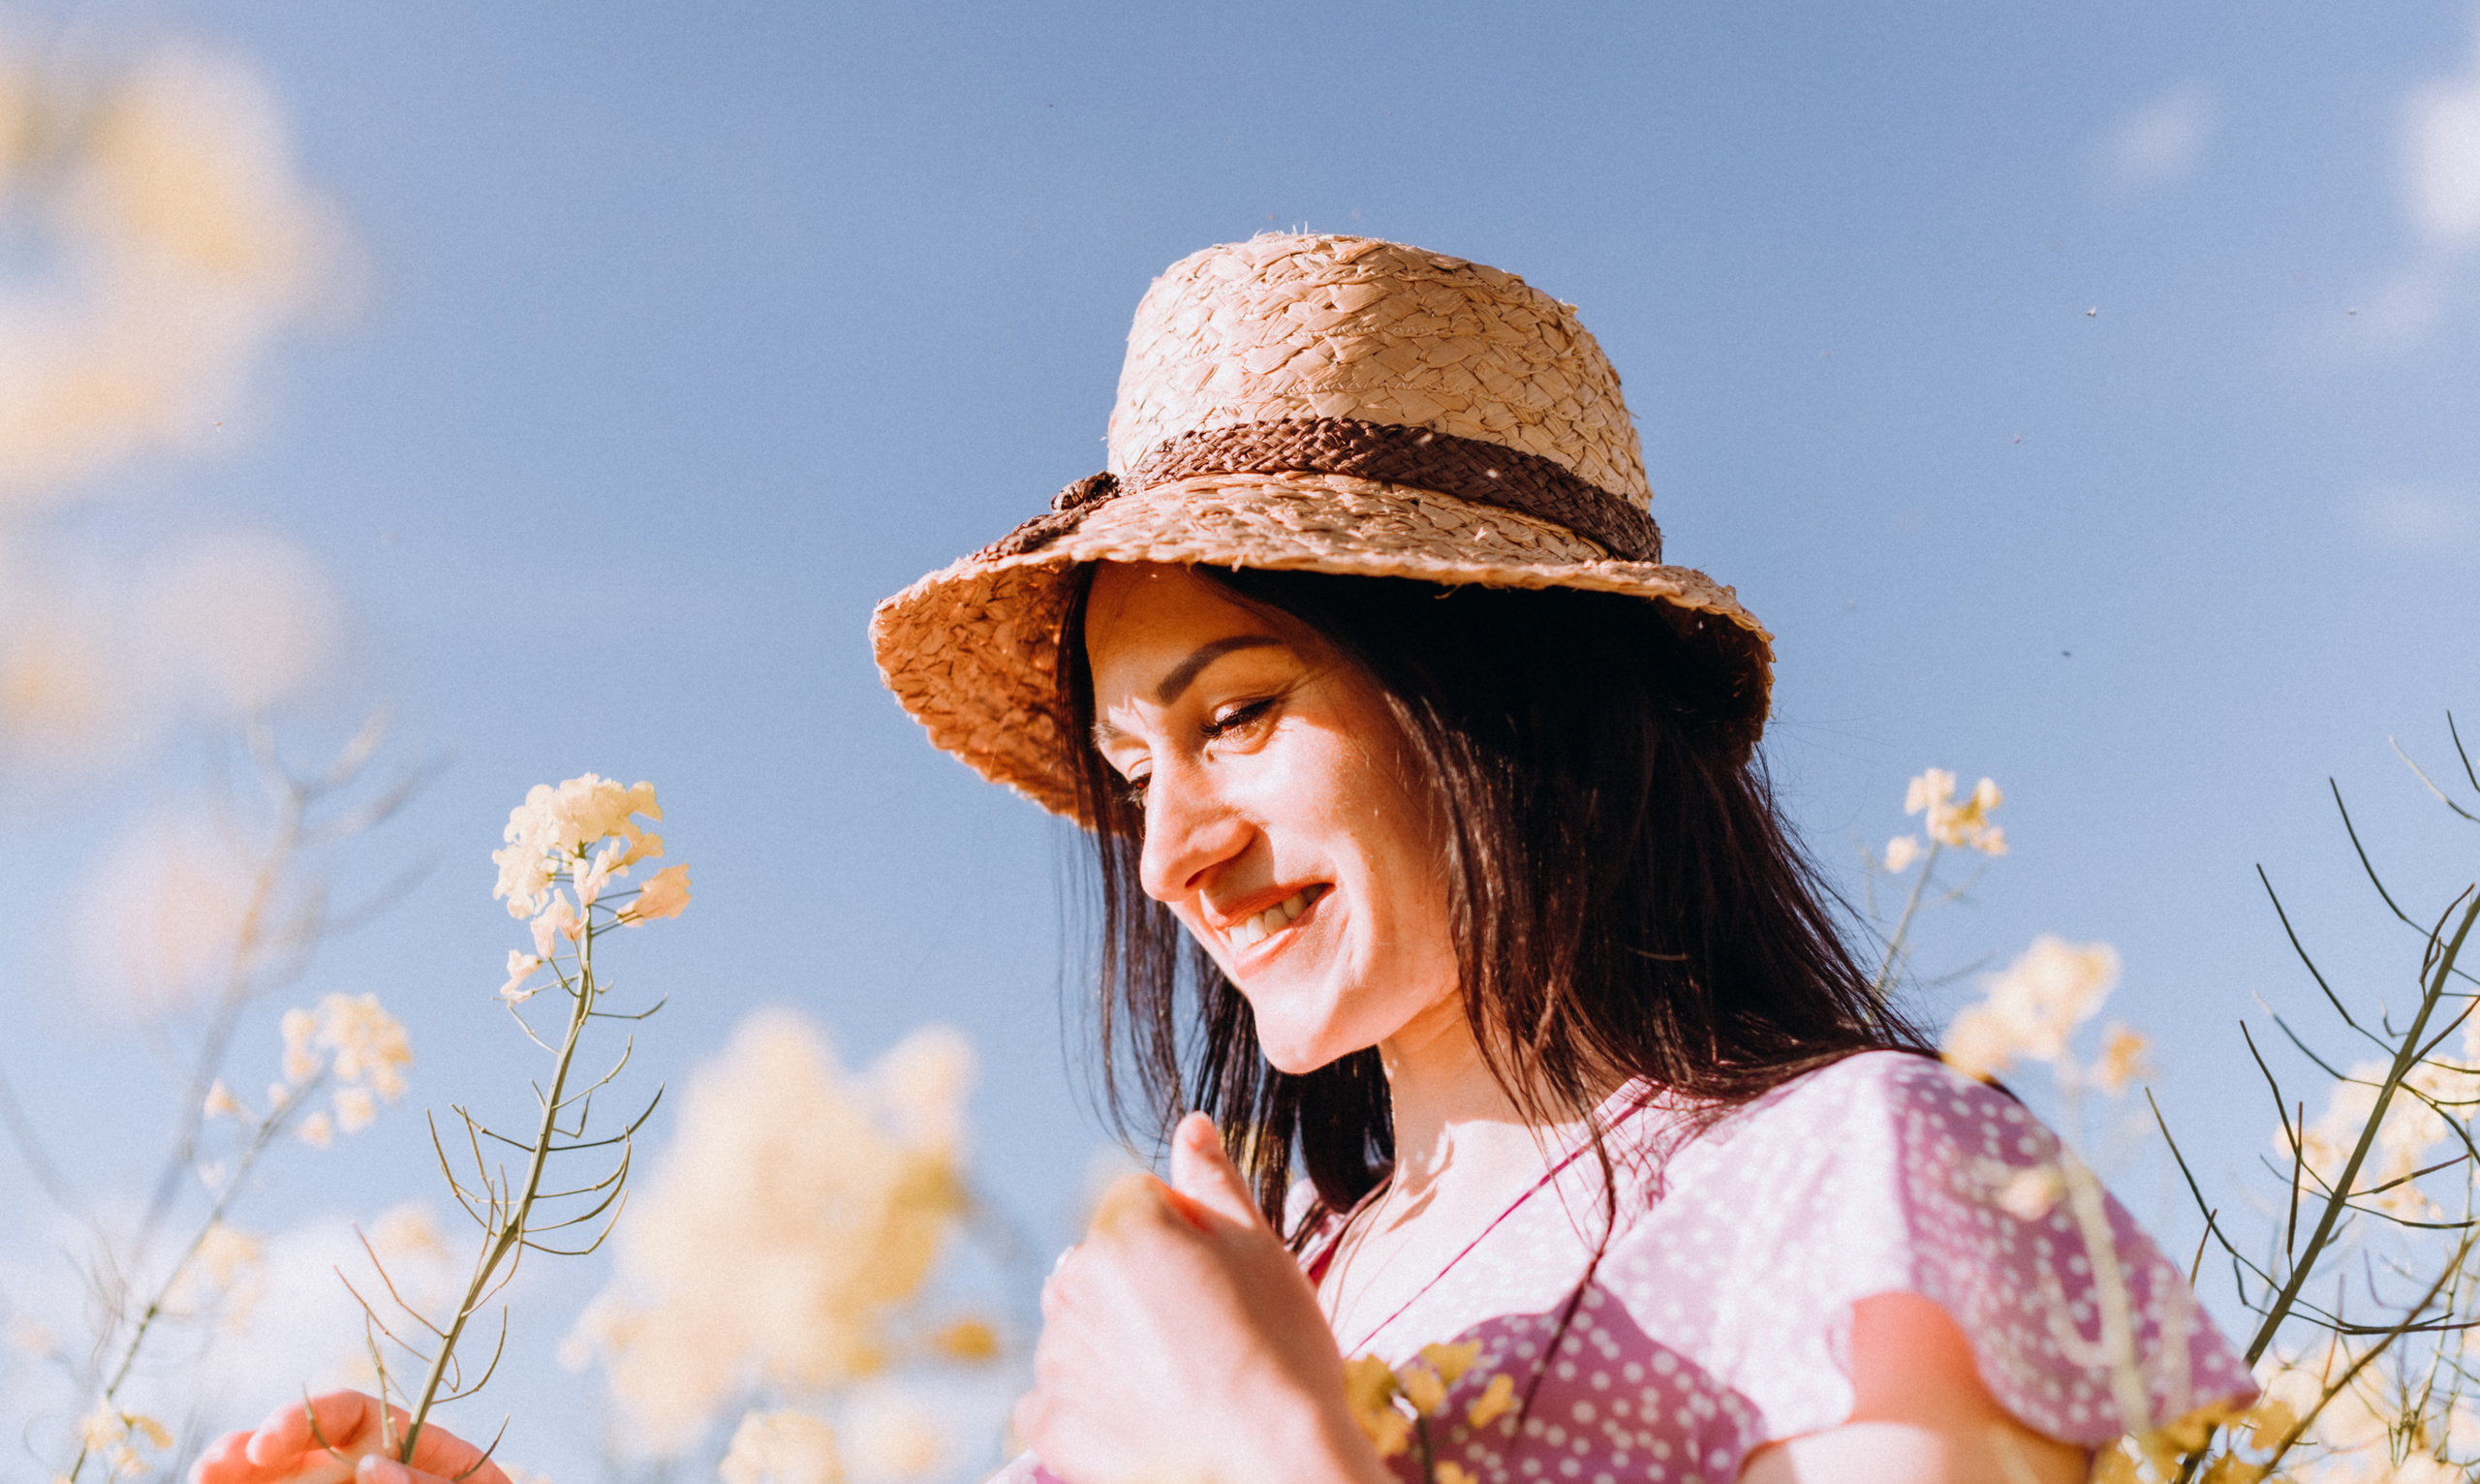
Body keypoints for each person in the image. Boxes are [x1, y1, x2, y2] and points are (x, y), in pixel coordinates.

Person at [197, 235, 2253, 1484]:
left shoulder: (1872, 1181)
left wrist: (1264, 1445)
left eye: (1243, 712)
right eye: (1124, 758)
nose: (1171, 846)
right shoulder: (1274, 1280)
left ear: (1509, 695)